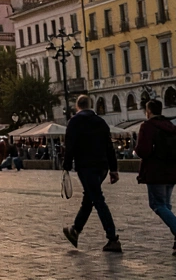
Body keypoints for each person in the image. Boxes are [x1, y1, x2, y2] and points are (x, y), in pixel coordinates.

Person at [134, 98, 176, 256]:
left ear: (149, 111)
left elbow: (143, 150)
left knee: (157, 205)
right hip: (171, 171)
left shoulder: (147, 126)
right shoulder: (171, 126)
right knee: (165, 205)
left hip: (155, 172)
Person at [62, 94, 121, 252]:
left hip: (86, 166)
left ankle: (112, 238)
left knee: (98, 200)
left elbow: (70, 145)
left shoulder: (74, 122)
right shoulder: (100, 122)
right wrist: (113, 169)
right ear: (91, 105)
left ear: (77, 106)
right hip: (102, 167)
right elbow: (109, 147)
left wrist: (66, 165)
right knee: (89, 199)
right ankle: (75, 230)